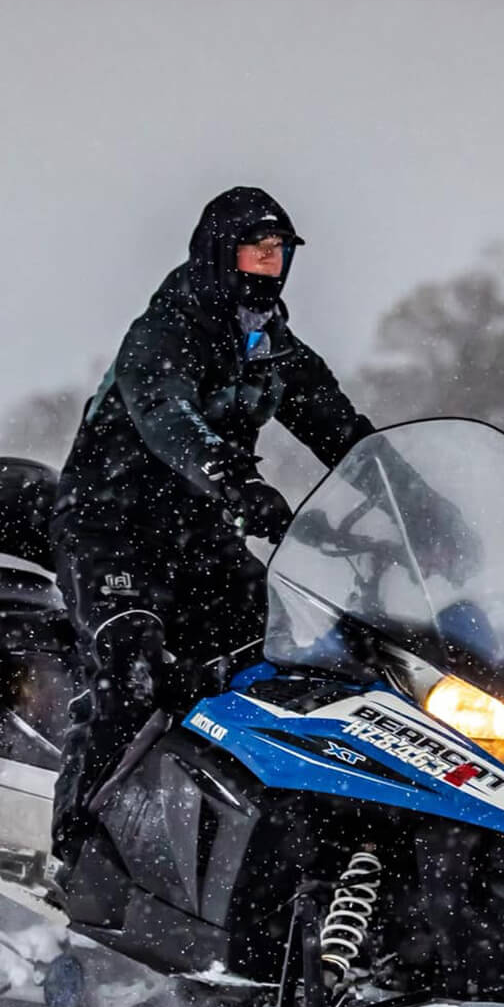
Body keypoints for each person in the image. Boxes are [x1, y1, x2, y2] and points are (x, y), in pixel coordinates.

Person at [50, 185, 374, 875]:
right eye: (256, 250)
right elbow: (170, 419)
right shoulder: (165, 331)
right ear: (218, 255)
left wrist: (413, 501)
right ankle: (79, 850)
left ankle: (244, 854)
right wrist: (236, 481)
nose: (270, 264)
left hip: (196, 536)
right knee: (133, 665)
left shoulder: (272, 349)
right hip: (113, 527)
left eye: (279, 252)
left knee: (286, 659)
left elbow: (342, 431)